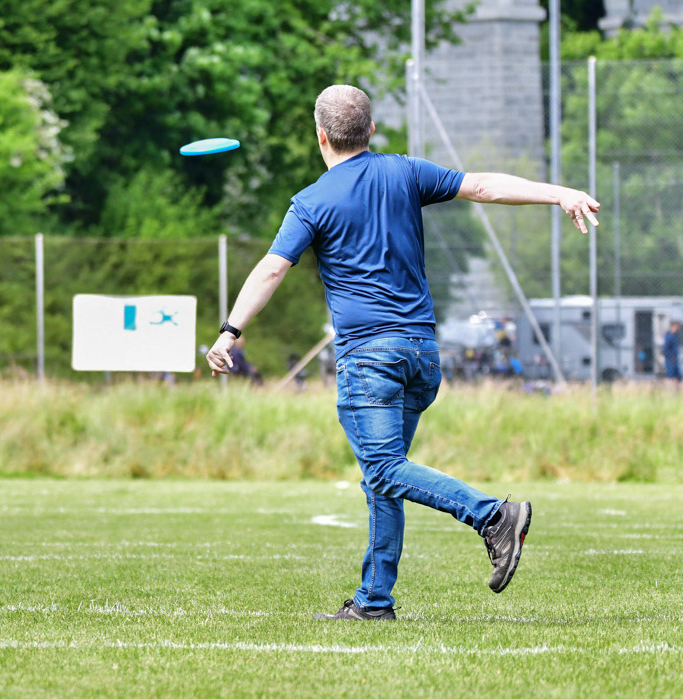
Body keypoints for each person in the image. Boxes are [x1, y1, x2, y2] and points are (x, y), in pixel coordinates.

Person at [206, 85, 599, 621]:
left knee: (385, 469)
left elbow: (273, 268)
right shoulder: (405, 172)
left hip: (370, 360)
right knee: (382, 475)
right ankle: (374, 601)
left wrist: (230, 330)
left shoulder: (311, 201)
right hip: (421, 355)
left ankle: (492, 516)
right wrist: (560, 193)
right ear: (369, 129)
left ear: (320, 137)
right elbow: (484, 185)